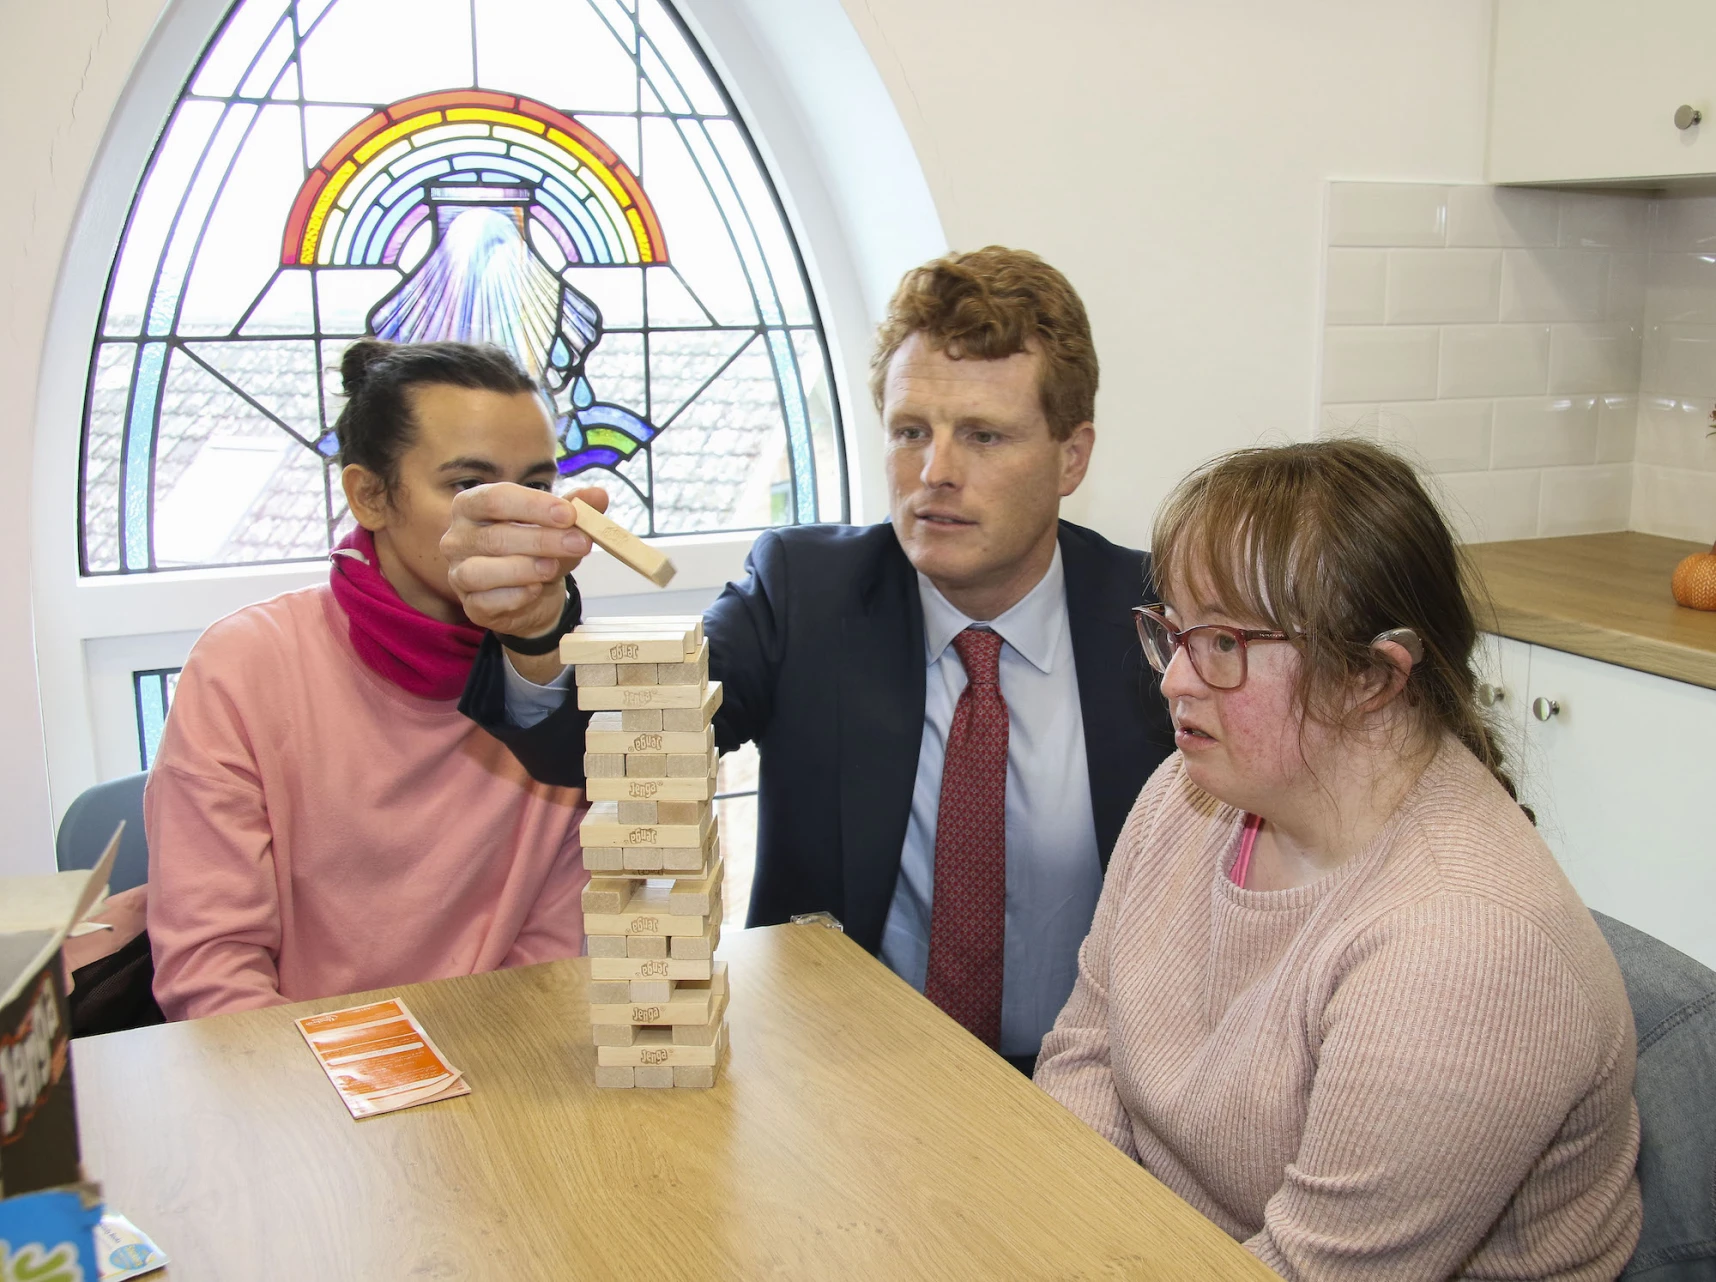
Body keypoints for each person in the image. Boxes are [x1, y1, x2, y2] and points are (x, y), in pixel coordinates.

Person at [447, 248, 1176, 1071]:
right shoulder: (806, 591)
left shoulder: (1161, 622)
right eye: (910, 433)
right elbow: (610, 744)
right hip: (839, 1076)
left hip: (1087, 1098)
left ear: (1071, 456)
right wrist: (536, 630)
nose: (934, 473)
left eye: (983, 435)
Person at [1036, 439, 1642, 1279]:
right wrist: (1064, 1229)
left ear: (1373, 677)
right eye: (1173, 632)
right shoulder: (1189, 792)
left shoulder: (1466, 951)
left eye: (1221, 644)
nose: (1175, 679)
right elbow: (1088, 1049)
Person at [146, 340, 593, 1020]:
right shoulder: (243, 669)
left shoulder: (556, 686)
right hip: (292, 1079)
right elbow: (212, 977)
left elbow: (558, 957)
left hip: (501, 1066)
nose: (511, 521)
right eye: (467, 486)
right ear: (369, 496)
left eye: (535, 489)